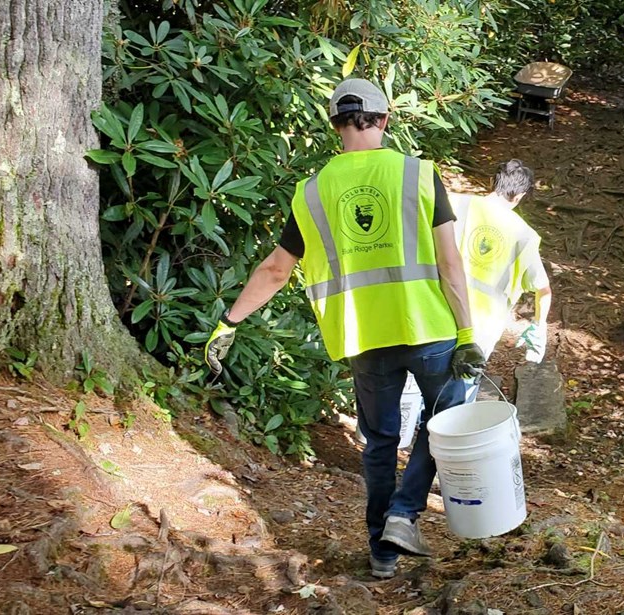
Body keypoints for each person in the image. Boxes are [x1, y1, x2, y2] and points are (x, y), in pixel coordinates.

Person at [201, 78, 484, 580]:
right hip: (429, 328)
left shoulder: (312, 192)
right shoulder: (418, 174)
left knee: (378, 441)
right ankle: (404, 512)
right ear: (384, 119)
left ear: (335, 125)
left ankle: (382, 553)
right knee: (446, 419)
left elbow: (274, 269)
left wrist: (229, 322)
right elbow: (450, 263)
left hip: (363, 337)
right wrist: (467, 333)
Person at [452, 160, 553, 393]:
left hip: (436, 309)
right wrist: (539, 326)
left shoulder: (456, 203)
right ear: (520, 196)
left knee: (421, 386)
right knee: (462, 393)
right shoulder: (524, 235)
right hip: (482, 326)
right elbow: (543, 289)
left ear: (491, 182)